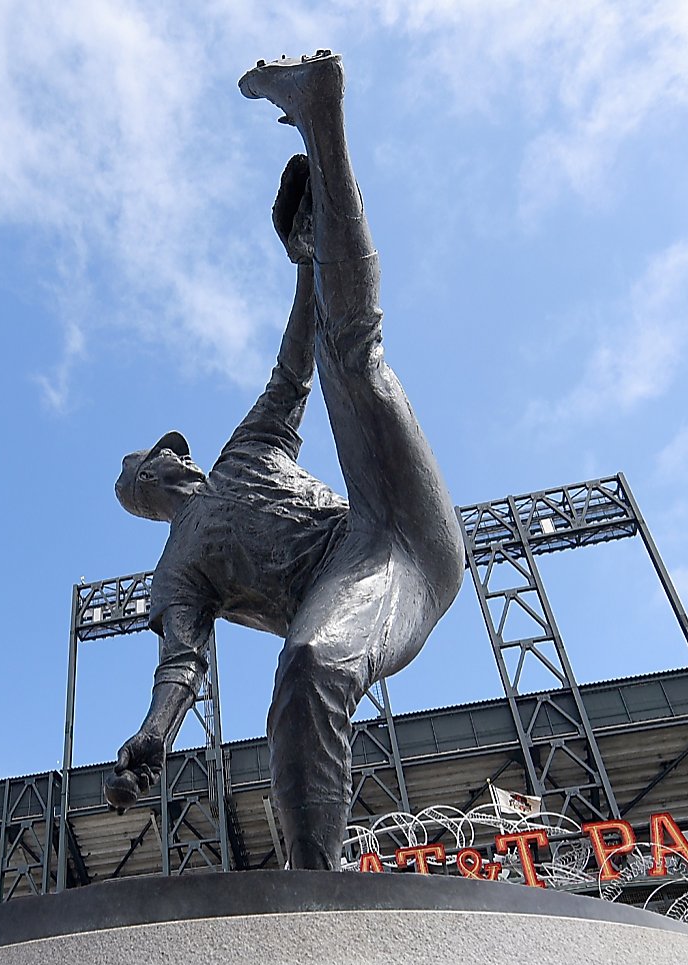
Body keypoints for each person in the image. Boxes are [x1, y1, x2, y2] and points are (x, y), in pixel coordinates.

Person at [110, 49, 465, 869]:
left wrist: (307, 264)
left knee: (355, 357)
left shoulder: (242, 454)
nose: (155, 469)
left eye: (153, 460)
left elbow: (293, 364)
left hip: (392, 520)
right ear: (149, 498)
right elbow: (182, 659)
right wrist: (152, 736)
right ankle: (318, 888)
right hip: (376, 583)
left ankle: (321, 114)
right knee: (307, 662)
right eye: (142, 476)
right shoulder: (178, 572)